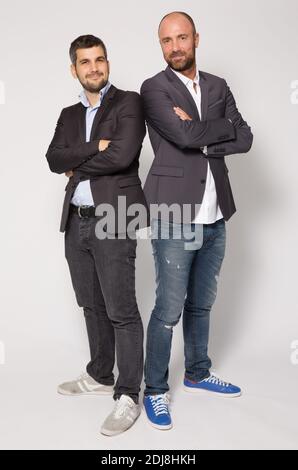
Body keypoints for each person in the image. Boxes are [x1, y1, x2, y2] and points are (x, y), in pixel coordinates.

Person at [141, 12, 253, 430]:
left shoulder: (218, 86)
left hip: (215, 212)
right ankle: (154, 390)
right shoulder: (153, 88)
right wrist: (216, 132)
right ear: (161, 45)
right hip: (173, 212)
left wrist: (208, 129)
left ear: (195, 39)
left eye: (181, 38)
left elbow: (245, 136)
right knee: (169, 308)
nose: (174, 47)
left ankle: (197, 372)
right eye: (166, 40)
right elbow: (185, 138)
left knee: (202, 302)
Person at [46, 34, 148, 436]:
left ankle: (128, 395)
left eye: (100, 59)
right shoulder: (69, 114)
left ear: (108, 63)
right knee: (91, 303)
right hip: (77, 220)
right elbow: (54, 158)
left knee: (121, 308)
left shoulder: (128, 102)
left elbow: (123, 155)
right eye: (85, 62)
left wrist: (80, 164)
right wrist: (95, 145)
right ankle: (101, 373)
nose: (94, 67)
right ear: (75, 69)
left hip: (116, 216)